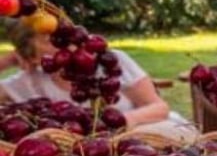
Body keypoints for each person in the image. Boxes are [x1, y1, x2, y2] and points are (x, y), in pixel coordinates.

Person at [0, 21, 196, 141]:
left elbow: (158, 107)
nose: (63, 41)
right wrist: (7, 61)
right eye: (48, 39)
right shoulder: (29, 83)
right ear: (32, 56)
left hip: (140, 138)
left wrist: (120, 124)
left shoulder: (109, 61)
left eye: (61, 33)